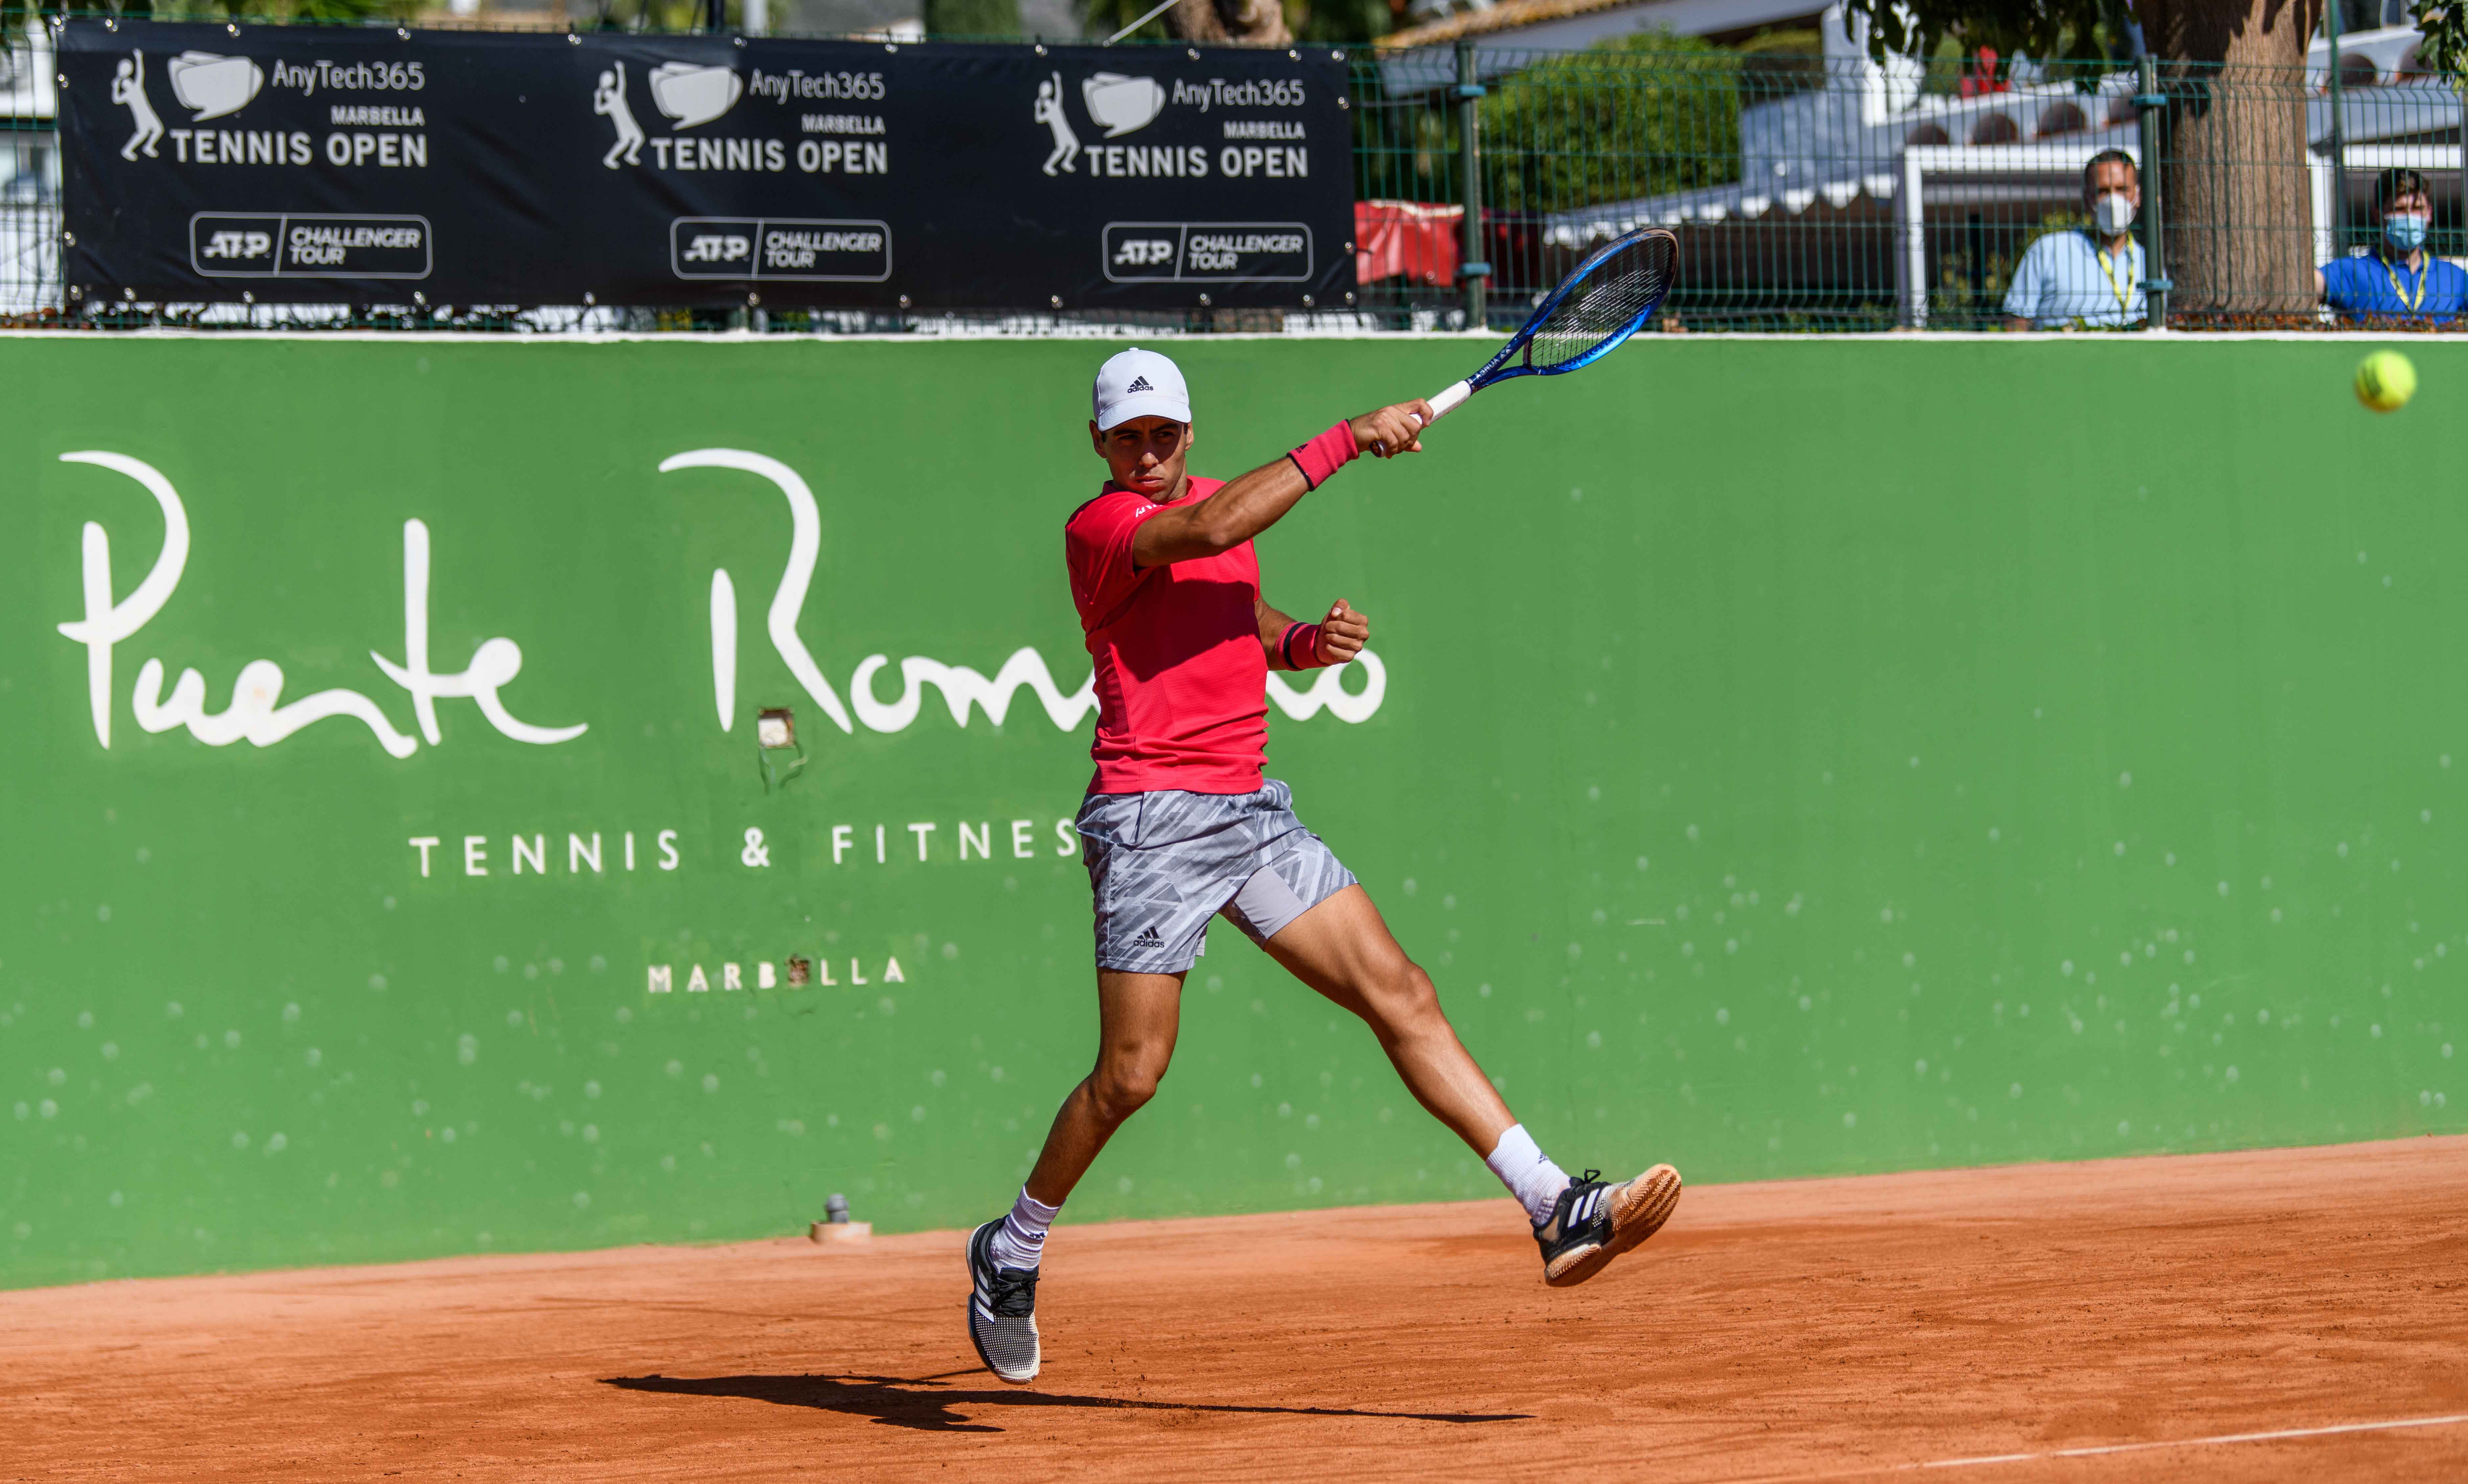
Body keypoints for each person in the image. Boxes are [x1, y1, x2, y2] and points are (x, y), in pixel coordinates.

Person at [962, 348, 1683, 1385]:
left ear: (1188, 431)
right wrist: (1348, 436)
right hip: (1150, 819)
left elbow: (1227, 603)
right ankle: (1013, 1246)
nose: (1149, 453)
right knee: (1131, 1075)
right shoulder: (1102, 527)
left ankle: (1550, 1204)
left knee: (1399, 990)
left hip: (1250, 811)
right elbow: (1206, 534)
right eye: (1129, 438)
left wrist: (1297, 643)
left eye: (1163, 434)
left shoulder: (1216, 505)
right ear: (1099, 445)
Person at [2003, 149, 2146, 331]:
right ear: (2088, 199)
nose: (2113, 200)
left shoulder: (2150, 263)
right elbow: (2016, 324)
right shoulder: (2048, 251)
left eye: (2122, 189)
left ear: (2138, 195)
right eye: (2103, 191)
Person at [2319, 168, 2468, 326]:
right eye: (2400, 209)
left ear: (2429, 213)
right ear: (2378, 215)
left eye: (2418, 208)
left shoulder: (2454, 277)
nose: (2410, 217)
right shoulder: (2352, 272)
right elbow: (2307, 288)